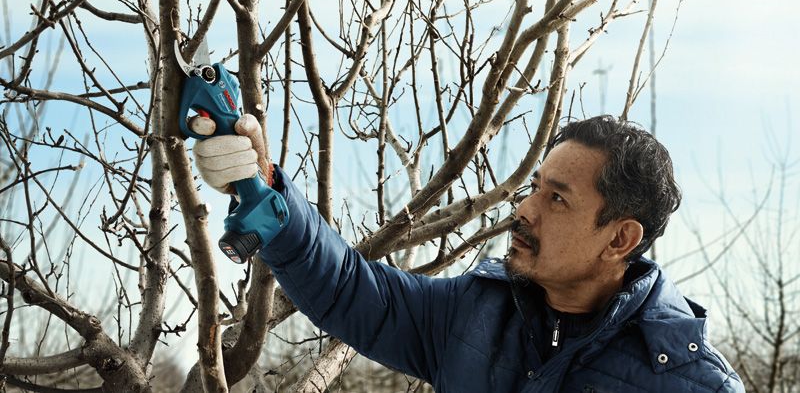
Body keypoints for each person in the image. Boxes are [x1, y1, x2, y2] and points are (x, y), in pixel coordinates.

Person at [191, 114, 744, 392]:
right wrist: (268, 195)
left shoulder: (694, 384)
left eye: (557, 199)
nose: (525, 211)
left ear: (620, 239)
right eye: (535, 187)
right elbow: (352, 289)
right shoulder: (474, 314)